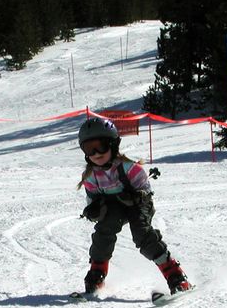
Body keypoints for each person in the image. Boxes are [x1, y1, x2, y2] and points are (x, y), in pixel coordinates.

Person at [77, 117, 192, 295]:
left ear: (113, 145)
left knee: (142, 234)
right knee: (104, 230)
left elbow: (145, 189)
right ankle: (96, 273)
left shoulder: (128, 168)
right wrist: (93, 210)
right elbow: (92, 200)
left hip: (137, 204)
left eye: (101, 146)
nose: (96, 153)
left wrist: (138, 196)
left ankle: (175, 275)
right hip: (113, 207)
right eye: (89, 149)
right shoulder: (91, 177)